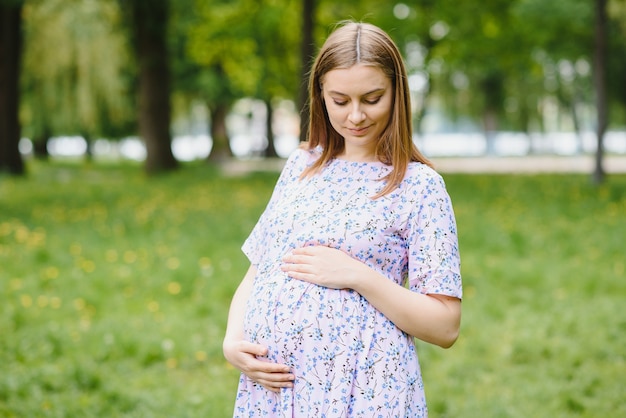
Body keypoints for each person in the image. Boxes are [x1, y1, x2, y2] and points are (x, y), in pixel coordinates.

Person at [223, 21, 462, 417]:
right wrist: (233, 340)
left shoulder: (419, 186)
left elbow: (445, 325)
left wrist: (358, 275)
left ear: (397, 94)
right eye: (340, 100)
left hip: (366, 392)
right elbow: (260, 267)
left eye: (372, 98)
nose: (355, 116)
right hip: (277, 393)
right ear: (320, 96)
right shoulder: (301, 165)